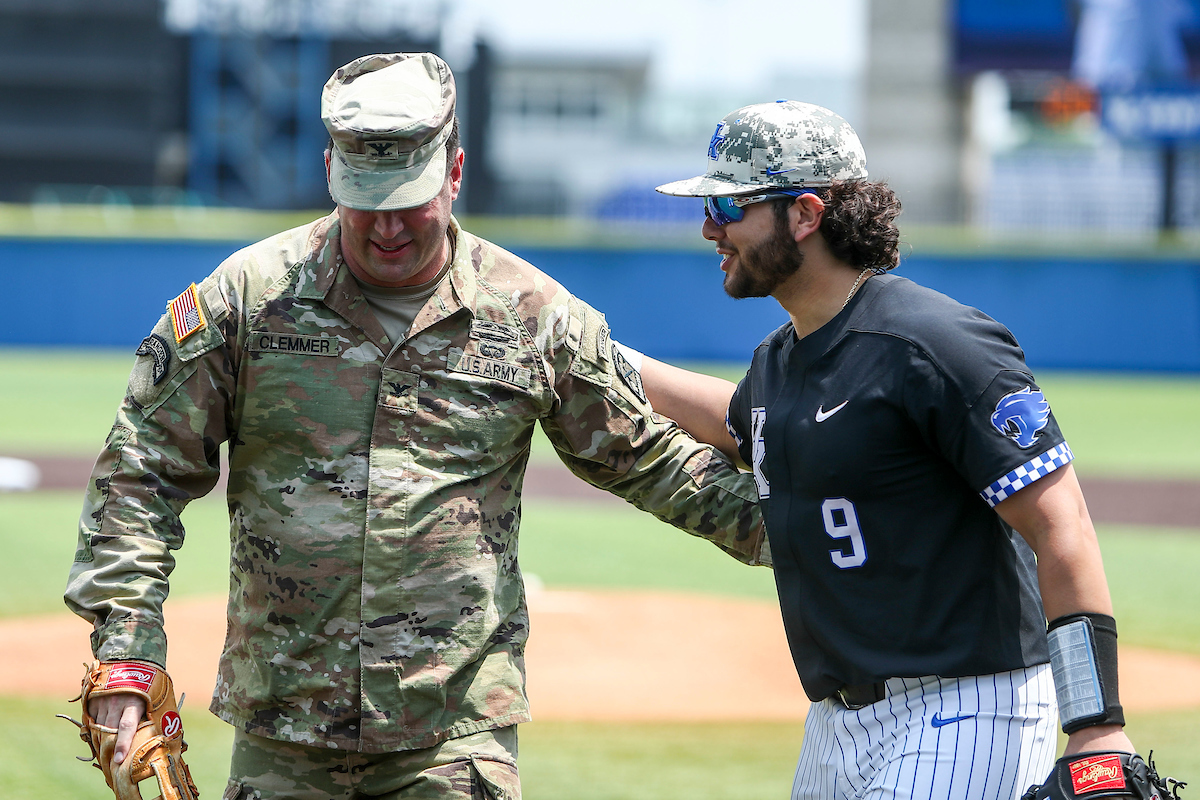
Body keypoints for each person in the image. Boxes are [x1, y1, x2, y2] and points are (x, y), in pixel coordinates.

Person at [64, 52, 767, 800]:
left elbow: (653, 463)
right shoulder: (249, 301)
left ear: (455, 173)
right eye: (366, 200)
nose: (390, 226)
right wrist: (125, 655)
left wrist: (822, 530)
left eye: (412, 198)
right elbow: (140, 471)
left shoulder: (534, 316)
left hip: (453, 743)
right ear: (331, 168)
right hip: (284, 737)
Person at [649, 100, 1138, 799]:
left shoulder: (937, 344)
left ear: (806, 214)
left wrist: (1096, 724)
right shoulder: (779, 362)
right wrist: (600, 355)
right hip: (834, 726)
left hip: (969, 709)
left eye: (729, 204)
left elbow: (1063, 526)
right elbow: (741, 423)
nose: (709, 226)